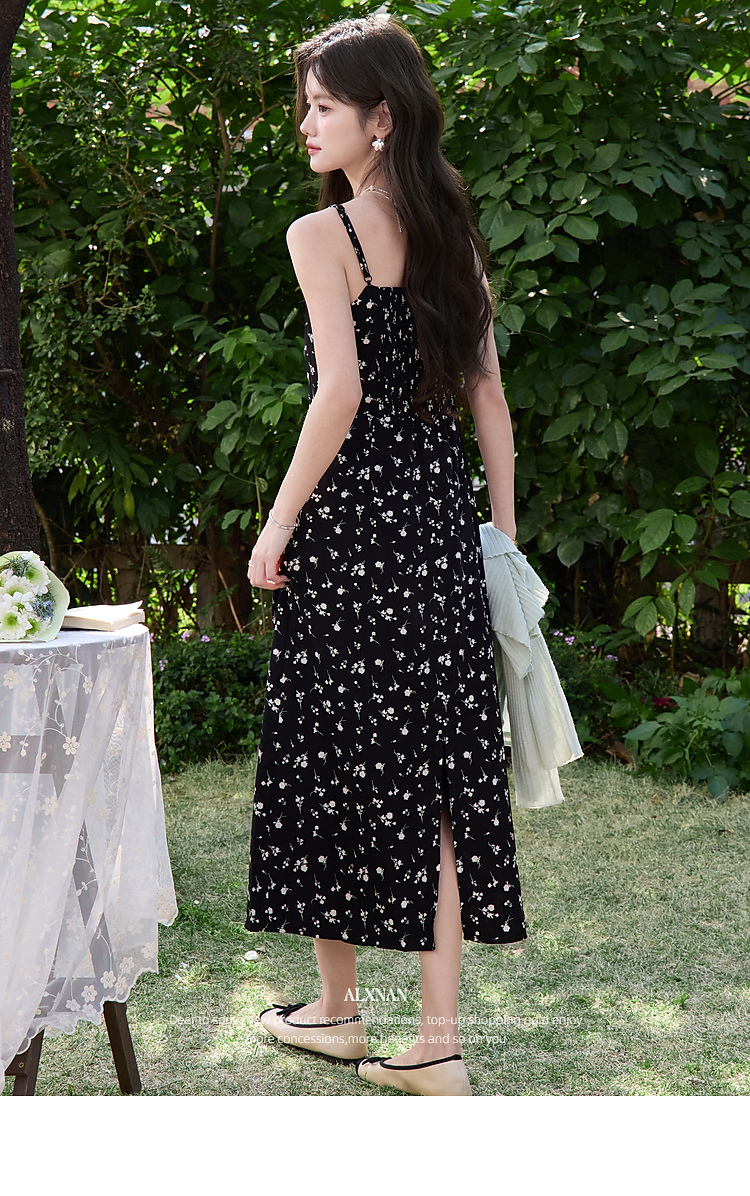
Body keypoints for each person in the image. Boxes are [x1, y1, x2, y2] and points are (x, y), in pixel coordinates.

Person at [245, 14, 526, 1098]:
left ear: (382, 118)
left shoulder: (324, 235)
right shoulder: (453, 231)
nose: (306, 124)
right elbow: (489, 397)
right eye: (306, 104)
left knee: (331, 757)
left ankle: (339, 1007)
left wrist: (277, 525)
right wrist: (500, 533)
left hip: (353, 534)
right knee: (440, 780)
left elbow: (340, 395)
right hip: (440, 533)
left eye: (323, 105)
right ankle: (433, 1039)